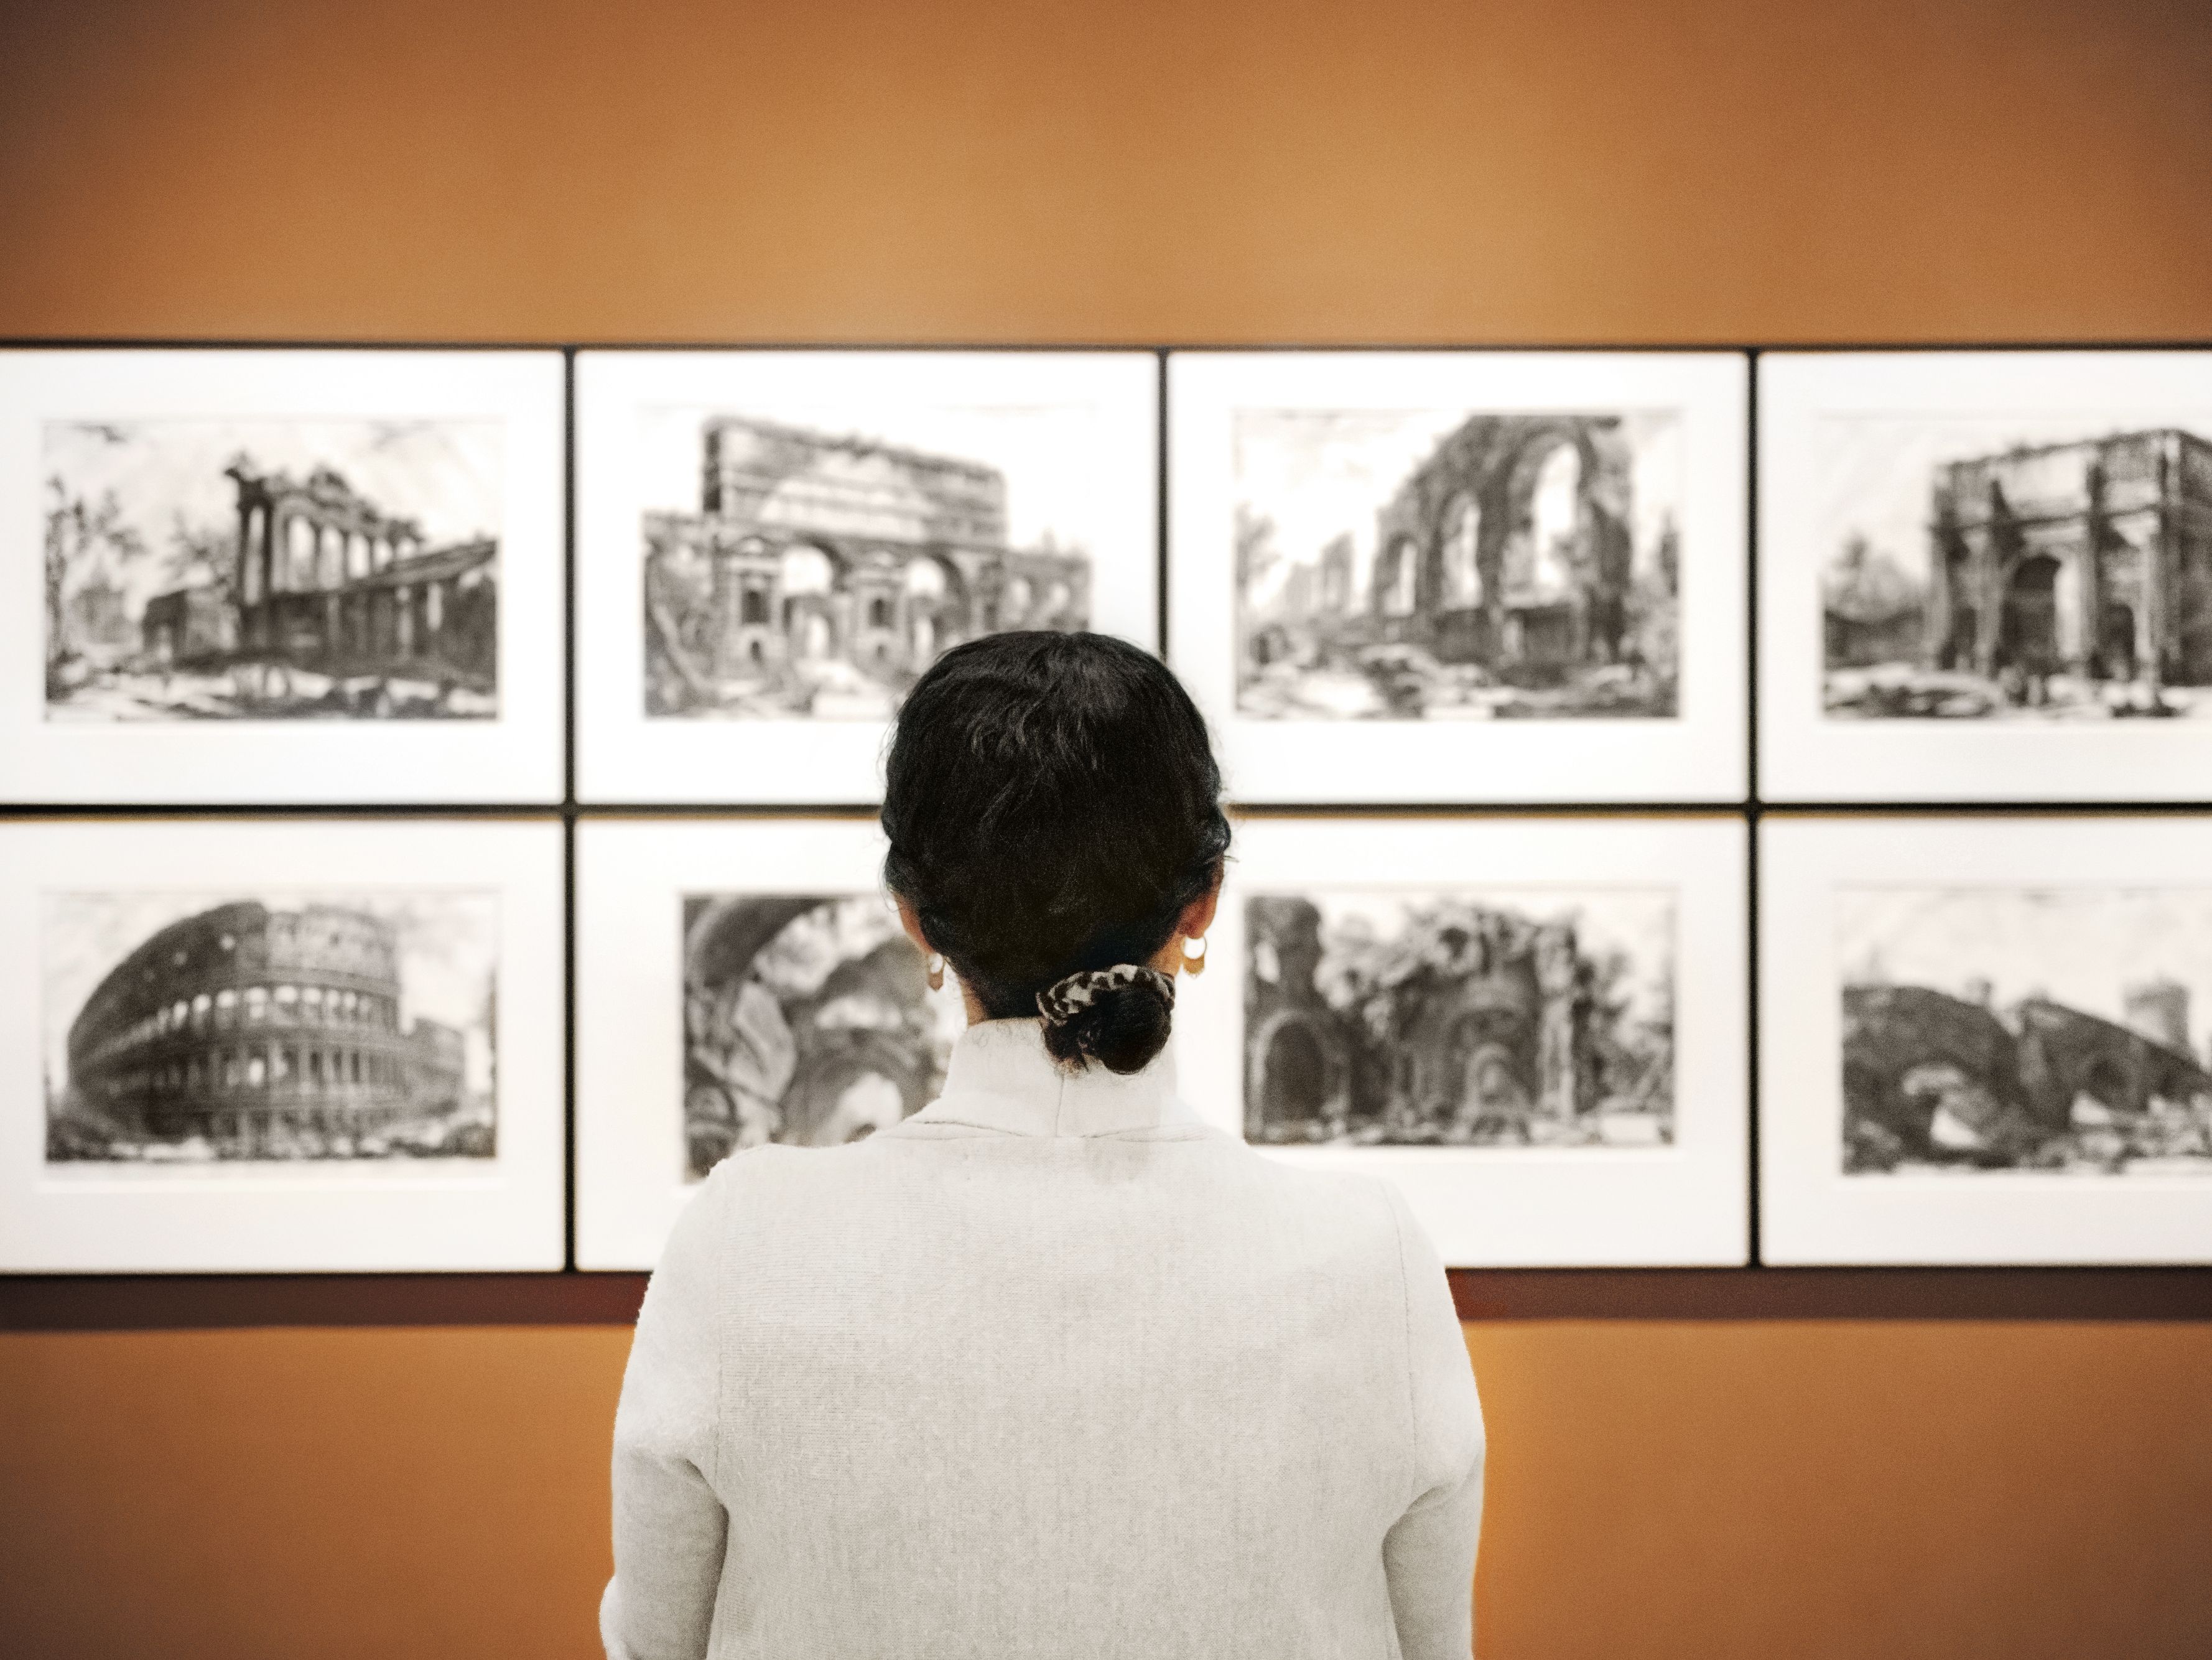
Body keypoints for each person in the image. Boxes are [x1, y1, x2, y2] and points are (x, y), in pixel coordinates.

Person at [601, 631, 1485, 1659]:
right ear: (1203, 900)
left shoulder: (745, 1239)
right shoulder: (1368, 1256)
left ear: (914, 916)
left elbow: (655, 1645)